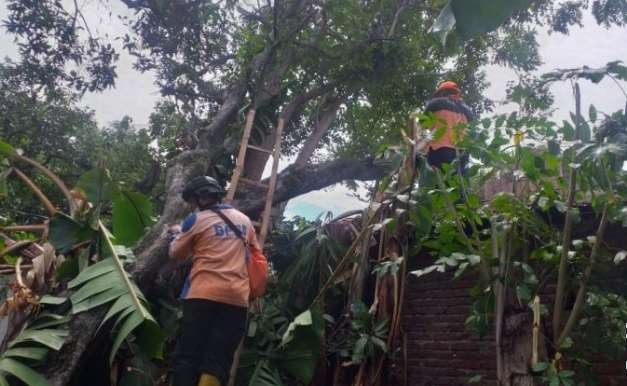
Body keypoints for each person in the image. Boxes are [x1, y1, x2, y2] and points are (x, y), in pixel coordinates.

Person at [168, 176, 259, 386]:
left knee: (188, 356)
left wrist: (176, 234)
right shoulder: (245, 221)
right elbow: (253, 254)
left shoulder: (196, 219)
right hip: (236, 298)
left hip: (202, 295)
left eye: (192, 201)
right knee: (218, 360)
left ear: (200, 198)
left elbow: (176, 253)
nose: (192, 205)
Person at [424, 81, 475, 174]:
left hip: (439, 148)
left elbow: (423, 124)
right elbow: (472, 128)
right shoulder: (467, 110)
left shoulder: (435, 103)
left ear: (442, 92)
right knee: (457, 183)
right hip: (462, 152)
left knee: (437, 182)